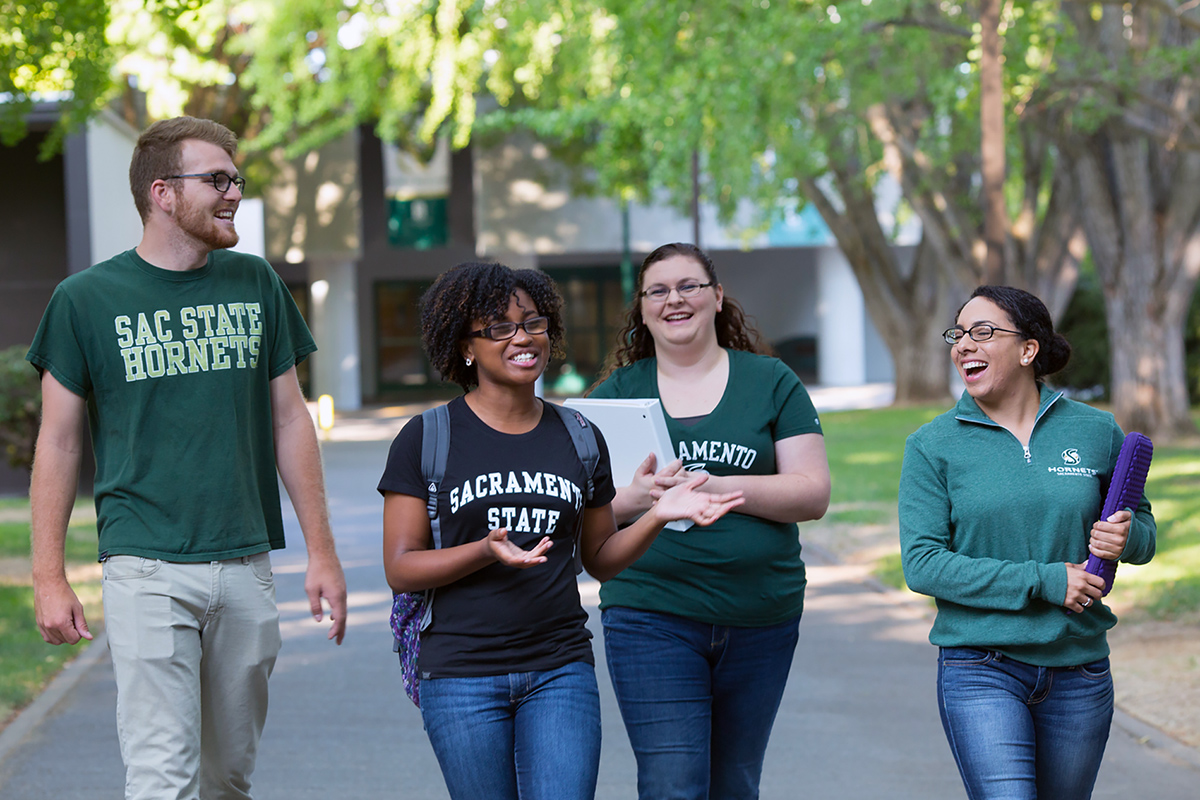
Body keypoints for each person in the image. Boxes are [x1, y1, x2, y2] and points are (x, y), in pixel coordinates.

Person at [27, 116, 347, 800]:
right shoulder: (84, 300)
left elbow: (290, 419)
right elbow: (57, 442)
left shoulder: (255, 284)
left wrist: (322, 551)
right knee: (161, 775)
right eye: (218, 179)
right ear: (163, 193)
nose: (234, 192)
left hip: (244, 560)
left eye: (236, 178)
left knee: (227, 775)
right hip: (143, 563)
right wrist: (49, 575)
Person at [378, 261, 743, 800]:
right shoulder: (426, 437)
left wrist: (657, 516)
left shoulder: (578, 435)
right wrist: (484, 550)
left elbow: (599, 556)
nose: (522, 338)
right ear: (465, 348)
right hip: (459, 674)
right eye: (498, 328)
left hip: (558, 668)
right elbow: (401, 568)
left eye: (533, 323)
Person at [587, 242, 831, 800]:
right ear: (643, 309)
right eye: (658, 290)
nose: (675, 299)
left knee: (735, 785)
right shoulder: (614, 398)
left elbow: (811, 493)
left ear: (717, 297)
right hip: (650, 613)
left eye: (689, 286)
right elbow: (589, 513)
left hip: (760, 615)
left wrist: (714, 484)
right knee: (674, 784)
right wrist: (640, 498)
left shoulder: (771, 382)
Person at [898, 285, 1156, 800]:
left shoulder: (1095, 430)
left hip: (1079, 669)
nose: (964, 344)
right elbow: (923, 565)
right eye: (959, 334)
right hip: (980, 667)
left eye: (983, 332)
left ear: (1028, 350)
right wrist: (1043, 580)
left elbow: (1144, 534)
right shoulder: (932, 446)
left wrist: (1127, 537)